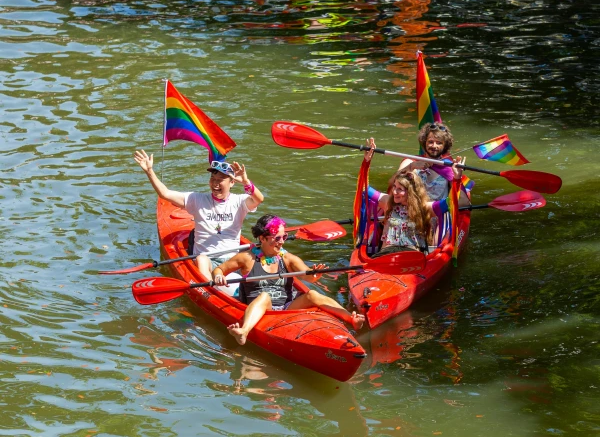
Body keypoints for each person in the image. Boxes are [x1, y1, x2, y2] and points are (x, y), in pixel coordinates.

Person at [213, 214, 365, 345]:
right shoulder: (246, 258)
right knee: (265, 297)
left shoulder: (287, 258)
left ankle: (350, 318)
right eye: (277, 238)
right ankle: (244, 331)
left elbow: (306, 275)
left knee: (312, 294)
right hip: (261, 308)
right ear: (262, 238)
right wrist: (218, 276)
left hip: (286, 308)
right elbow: (219, 269)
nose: (282, 241)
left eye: (284, 237)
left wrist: (314, 275)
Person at [134, 150, 264, 288]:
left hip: (232, 260)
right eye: (213, 179)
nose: (215, 184)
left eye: (220, 180)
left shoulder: (240, 201)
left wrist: (246, 182)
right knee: (202, 259)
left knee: (251, 259)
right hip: (206, 260)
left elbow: (259, 198)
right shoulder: (197, 199)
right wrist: (149, 171)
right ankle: (211, 291)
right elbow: (165, 194)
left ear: (232, 182)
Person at [363, 139, 463, 256]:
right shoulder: (388, 202)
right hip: (385, 256)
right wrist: (366, 162)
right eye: (394, 186)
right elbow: (364, 189)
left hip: (412, 258)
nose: (394, 191)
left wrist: (457, 179)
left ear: (411, 191)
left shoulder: (424, 207)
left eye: (400, 189)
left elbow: (451, 202)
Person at [396, 122, 470, 205]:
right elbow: (393, 185)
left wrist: (457, 177)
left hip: (436, 212)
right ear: (425, 142)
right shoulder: (410, 161)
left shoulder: (449, 167)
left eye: (439, 143)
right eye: (430, 142)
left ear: (445, 146)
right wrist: (411, 167)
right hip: (412, 212)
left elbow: (464, 202)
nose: (434, 146)